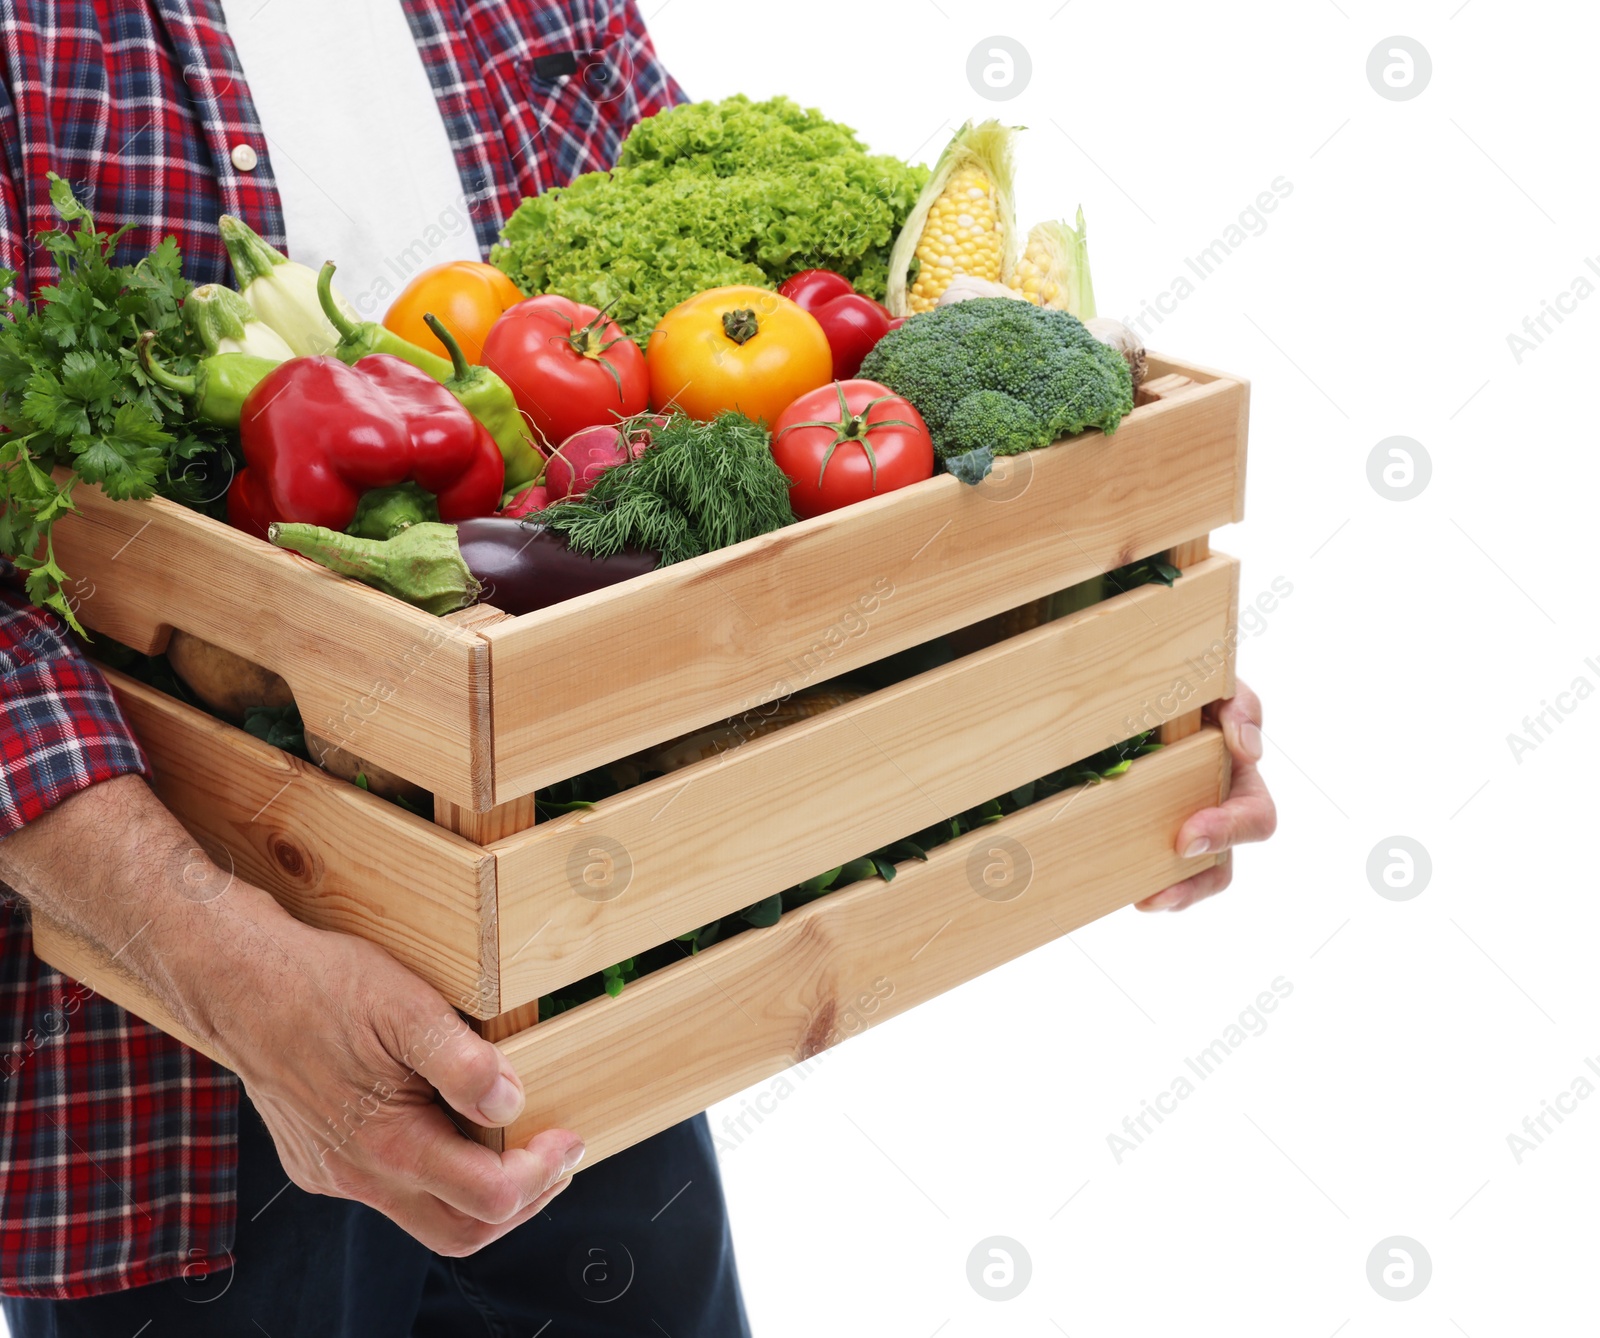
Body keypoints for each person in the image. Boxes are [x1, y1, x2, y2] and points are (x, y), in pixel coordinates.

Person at [0, 3, 1276, 1333]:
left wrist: (1105, 685)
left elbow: (756, 346)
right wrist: (236, 972)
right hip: (175, 1073)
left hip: (599, 974)